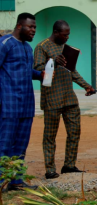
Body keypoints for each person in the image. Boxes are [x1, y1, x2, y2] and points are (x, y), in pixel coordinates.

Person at [34, 20, 96, 179]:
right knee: (50, 136)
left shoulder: (65, 48)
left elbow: (72, 71)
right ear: (56, 32)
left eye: (69, 34)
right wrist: (53, 62)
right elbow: (37, 70)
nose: (68, 37)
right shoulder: (42, 47)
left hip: (69, 98)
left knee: (74, 132)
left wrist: (86, 86)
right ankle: (50, 170)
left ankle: (69, 165)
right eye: (65, 34)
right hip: (52, 99)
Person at [0, 13, 42, 191]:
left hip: (26, 105)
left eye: (34, 27)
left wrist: (42, 75)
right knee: (4, 144)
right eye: (30, 27)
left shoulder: (27, 47)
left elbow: (26, 71)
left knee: (21, 144)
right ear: (19, 26)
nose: (33, 30)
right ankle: (1, 182)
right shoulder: (5, 43)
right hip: (8, 104)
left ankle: (16, 181)